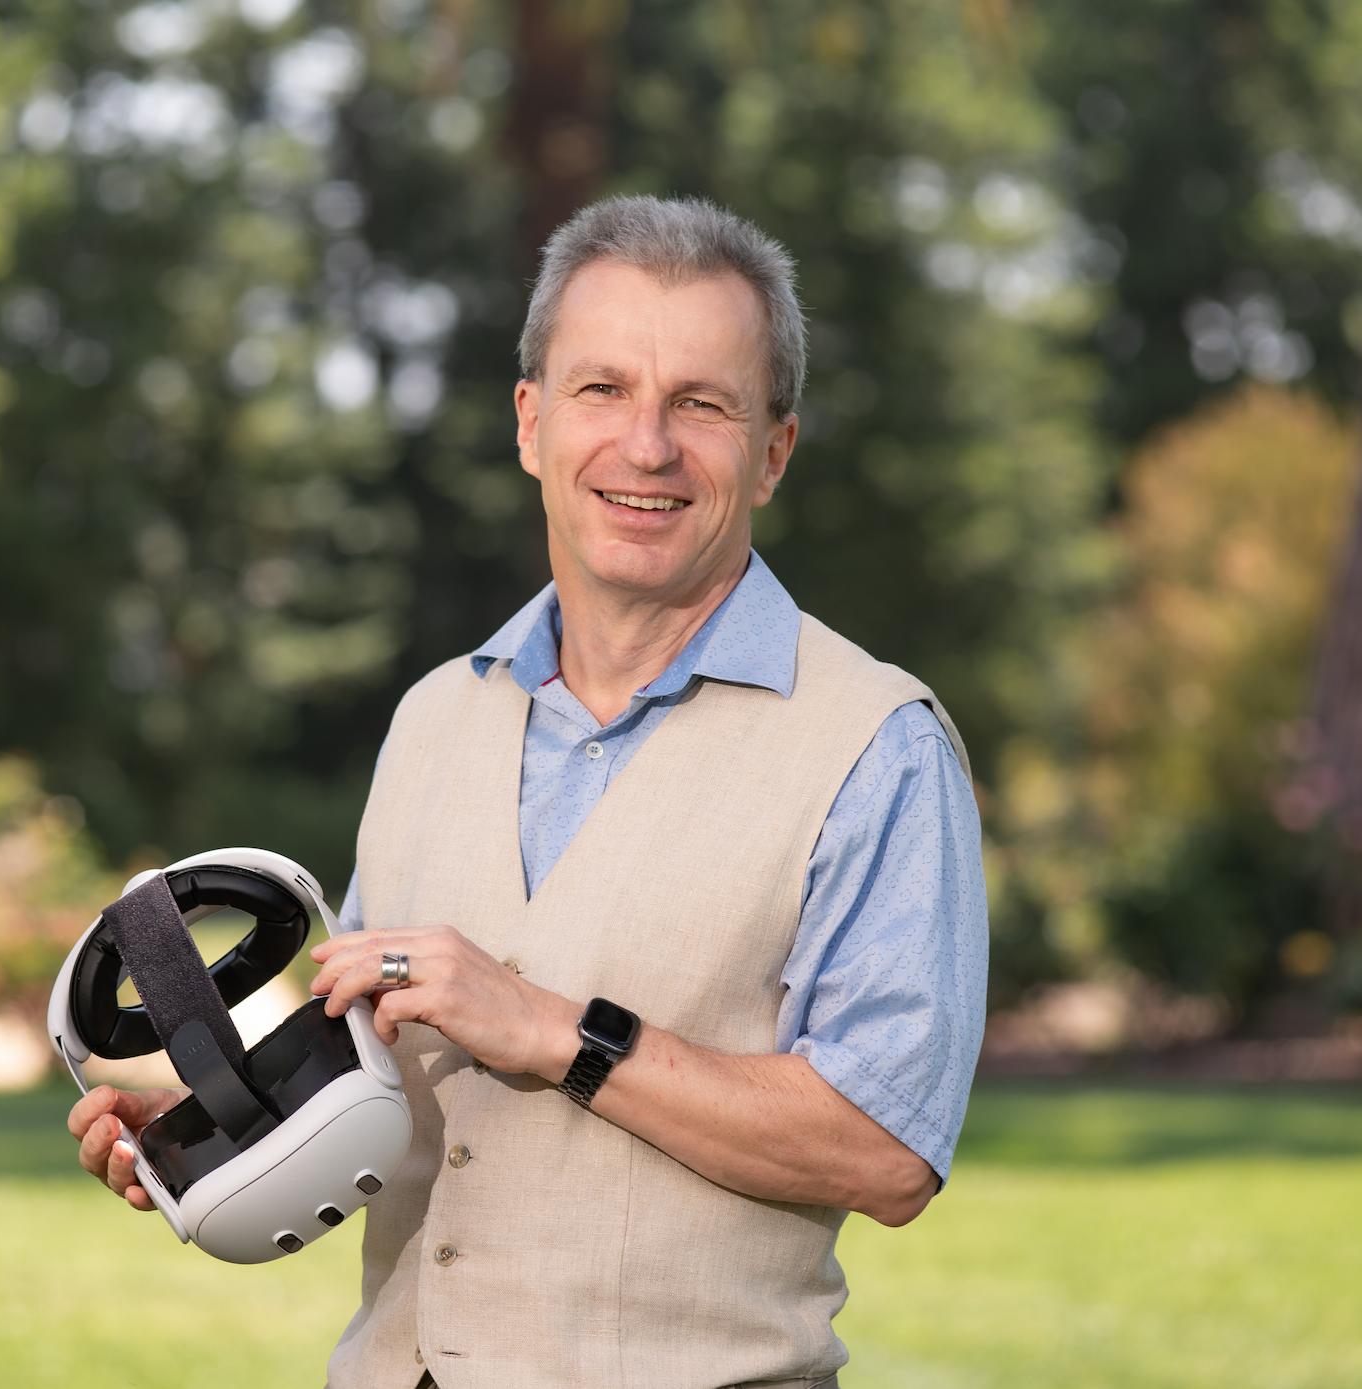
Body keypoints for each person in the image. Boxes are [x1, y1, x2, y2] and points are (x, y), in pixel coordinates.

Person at [69, 194, 989, 1389]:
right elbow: (370, 1068)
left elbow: (885, 1151)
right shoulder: (431, 720)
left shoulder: (880, 745)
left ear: (772, 451)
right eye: (602, 390)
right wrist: (205, 1133)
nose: (646, 446)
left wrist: (557, 1031)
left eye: (701, 404)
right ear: (530, 424)